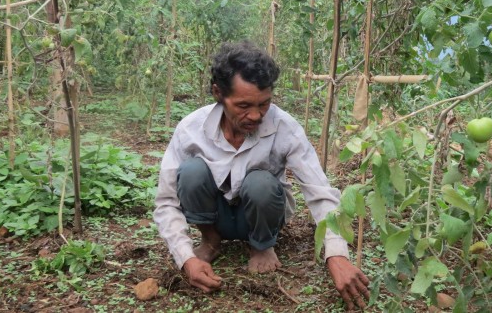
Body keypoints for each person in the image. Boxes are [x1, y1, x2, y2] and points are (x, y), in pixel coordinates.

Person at [153, 41, 370, 310]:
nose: (256, 115)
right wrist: (185, 257)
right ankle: (210, 240)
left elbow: (320, 192)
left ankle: (262, 245)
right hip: (215, 216)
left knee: (261, 182)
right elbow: (166, 201)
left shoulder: (284, 127)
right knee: (191, 172)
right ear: (218, 93)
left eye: (264, 104)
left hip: (263, 214)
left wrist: (336, 254)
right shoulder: (191, 129)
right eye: (243, 105)